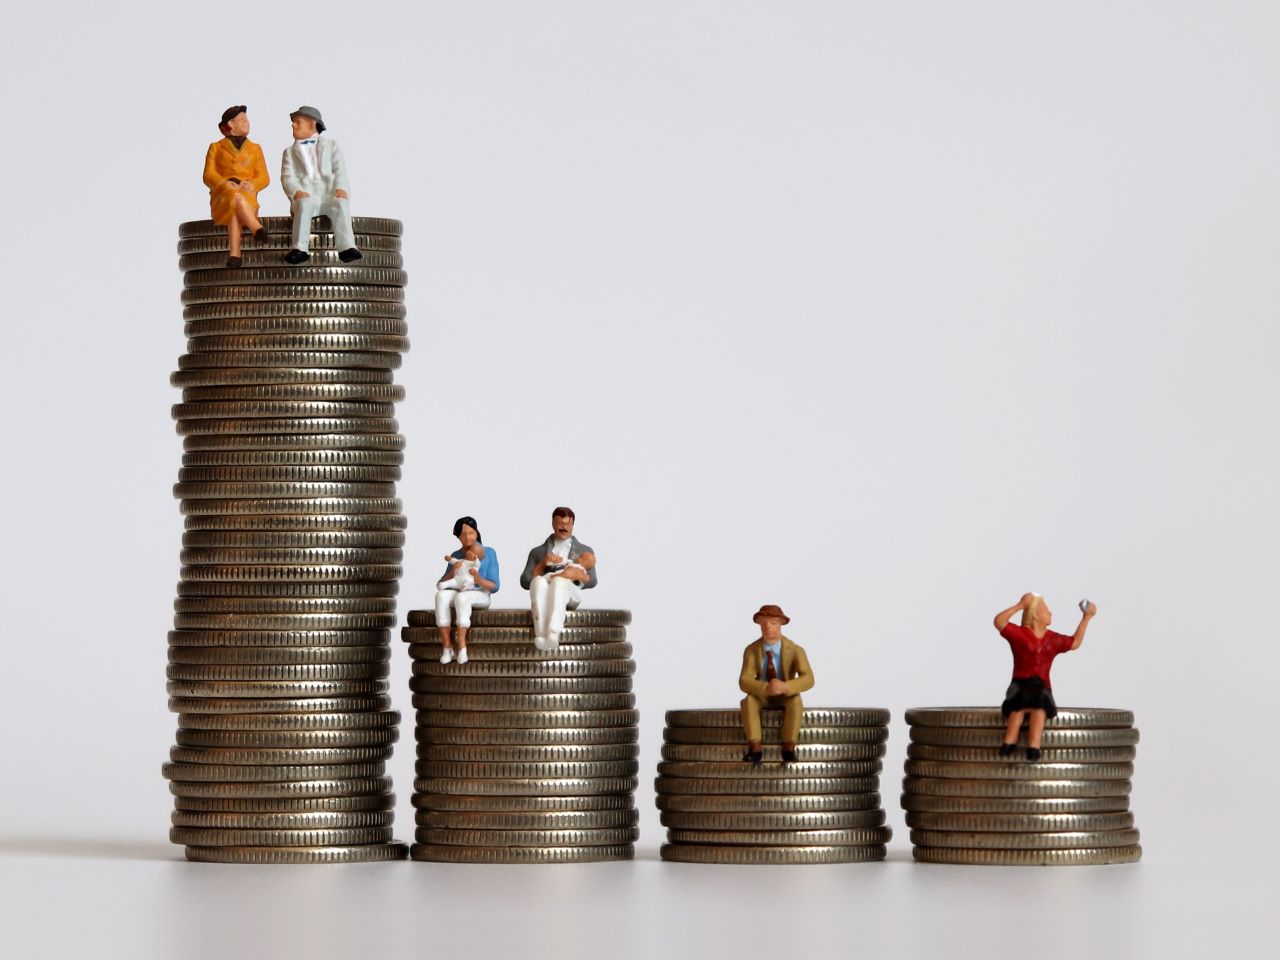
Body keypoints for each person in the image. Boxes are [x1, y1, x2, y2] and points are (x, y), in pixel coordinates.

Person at [993, 593, 1097, 761]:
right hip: (1020, 683)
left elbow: (1075, 642)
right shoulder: (1020, 635)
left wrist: (1087, 617)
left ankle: (1034, 746)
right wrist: (1020, 605)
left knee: (1039, 708)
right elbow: (999, 621)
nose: (1050, 612)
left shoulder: (1053, 639)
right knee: (1018, 707)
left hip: (1041, 685)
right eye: (1046, 609)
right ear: (1035, 614)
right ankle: (1009, 742)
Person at [280, 106, 362, 265]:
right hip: (307, 194)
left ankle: (347, 247)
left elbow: (340, 170)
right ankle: (300, 249)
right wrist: (296, 191)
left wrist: (341, 188)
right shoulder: (289, 152)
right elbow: (287, 176)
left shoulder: (332, 145)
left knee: (341, 204)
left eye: (298, 122)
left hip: (328, 193)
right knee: (303, 206)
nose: (293, 125)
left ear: (312, 124)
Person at [738, 604, 815, 765]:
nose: (768, 627)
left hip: (785, 693)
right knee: (749, 701)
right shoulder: (752, 650)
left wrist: (786, 686)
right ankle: (755, 746)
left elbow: (808, 678)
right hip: (763, 694)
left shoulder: (795, 650)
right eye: (764, 623)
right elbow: (744, 680)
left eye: (773, 623)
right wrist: (765, 688)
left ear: (780, 624)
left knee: (796, 702)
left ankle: (789, 747)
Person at [519, 507, 596, 651]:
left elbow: (593, 581)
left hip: (570, 592)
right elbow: (525, 581)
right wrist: (542, 564)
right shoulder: (538, 552)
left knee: (559, 583)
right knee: (538, 582)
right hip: (546, 590)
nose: (564, 527)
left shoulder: (585, 551)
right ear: (553, 524)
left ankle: (554, 632)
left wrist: (581, 576)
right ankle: (541, 634)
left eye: (568, 524)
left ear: (573, 525)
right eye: (560, 523)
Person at [203, 105, 269, 268]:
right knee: (232, 196)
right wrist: (223, 183)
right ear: (230, 124)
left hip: (246, 197)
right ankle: (256, 228)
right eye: (242, 120)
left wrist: (251, 184)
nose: (247, 123)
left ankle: (235, 254)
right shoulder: (216, 147)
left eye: (247, 119)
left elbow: (264, 177)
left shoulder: (255, 148)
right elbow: (208, 175)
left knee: (235, 202)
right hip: (222, 195)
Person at [435, 517, 500, 665]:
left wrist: (479, 580)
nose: (467, 537)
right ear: (458, 536)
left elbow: (495, 586)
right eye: (463, 534)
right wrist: (453, 572)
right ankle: (447, 646)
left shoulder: (488, 553)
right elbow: (442, 583)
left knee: (462, 598)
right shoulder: (457, 555)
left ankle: (462, 647)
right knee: (441, 596)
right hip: (459, 588)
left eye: (471, 533)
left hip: (480, 593)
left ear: (476, 532)